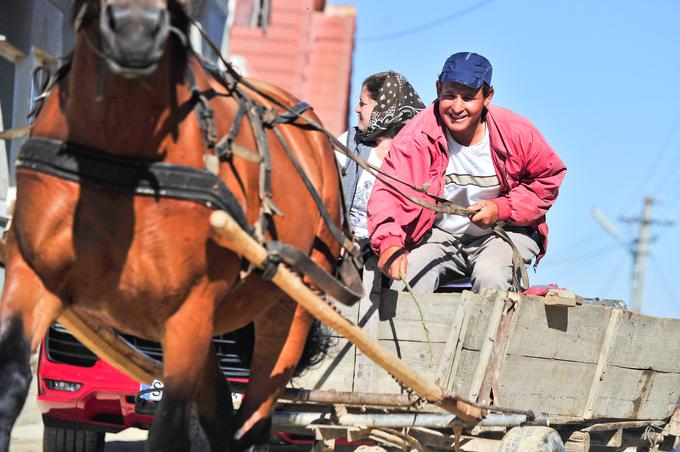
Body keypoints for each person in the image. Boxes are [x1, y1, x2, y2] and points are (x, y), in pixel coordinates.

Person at [367, 52, 567, 293]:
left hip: (503, 233)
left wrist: (501, 208)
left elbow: (547, 180)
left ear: (487, 97)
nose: (457, 107)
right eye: (449, 95)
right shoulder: (416, 137)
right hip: (440, 235)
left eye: (469, 98)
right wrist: (389, 242)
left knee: (491, 275)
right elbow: (389, 194)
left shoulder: (517, 132)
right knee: (407, 278)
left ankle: (490, 332)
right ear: (438, 88)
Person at [336, 71, 425, 302]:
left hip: (388, 253)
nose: (357, 110)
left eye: (363, 104)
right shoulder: (350, 142)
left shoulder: (415, 155)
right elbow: (326, 191)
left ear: (384, 108)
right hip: (343, 249)